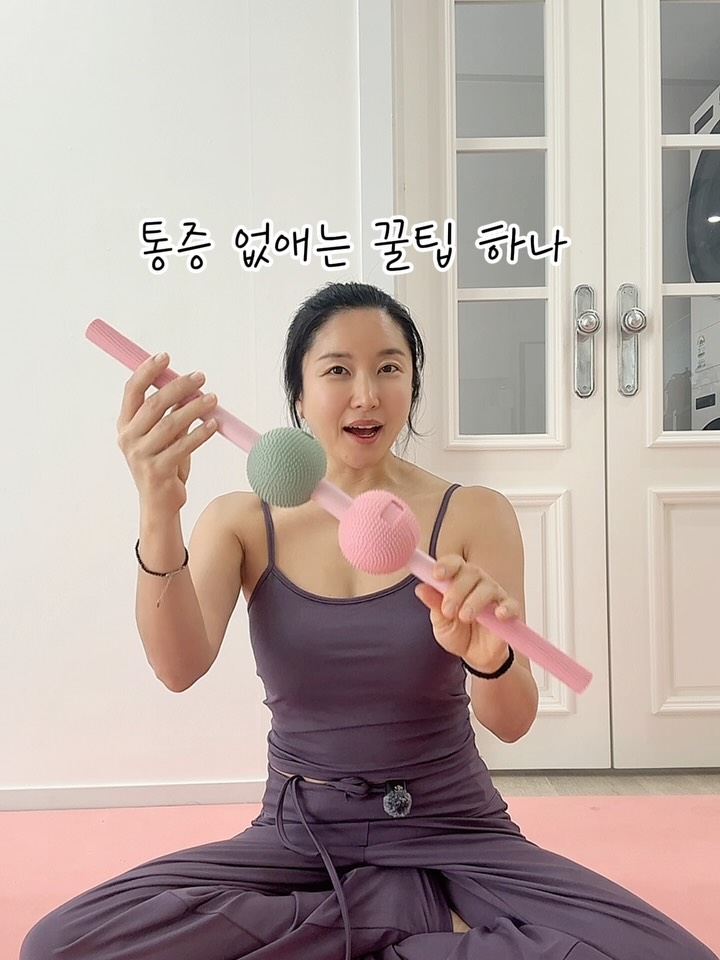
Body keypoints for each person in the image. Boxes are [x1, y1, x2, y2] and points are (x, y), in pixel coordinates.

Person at [21, 282, 717, 960]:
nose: (366, 394)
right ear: (298, 393)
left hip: (456, 828)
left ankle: (355, 920)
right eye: (337, 370)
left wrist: (489, 657)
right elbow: (178, 668)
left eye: (389, 368)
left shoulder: (472, 513)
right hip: (297, 834)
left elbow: (511, 722)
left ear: (413, 384)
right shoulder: (241, 520)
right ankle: (402, 912)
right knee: (60, 943)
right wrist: (158, 508)